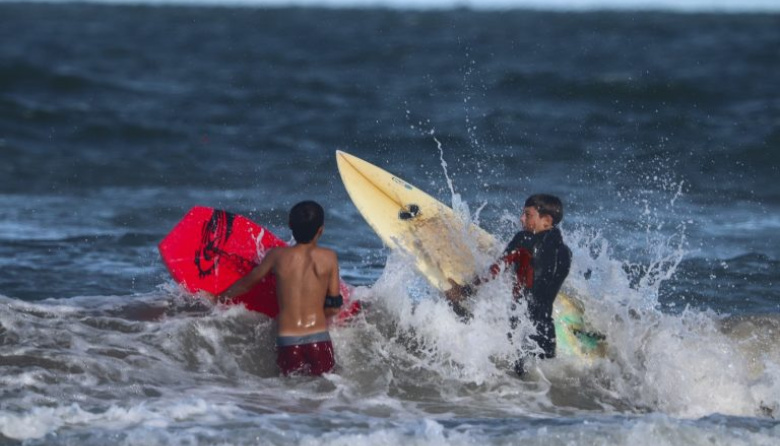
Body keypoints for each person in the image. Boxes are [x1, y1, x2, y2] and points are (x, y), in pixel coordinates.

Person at [445, 194, 572, 375]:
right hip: (546, 334)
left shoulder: (524, 240)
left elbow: (494, 272)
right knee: (538, 387)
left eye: (528, 215)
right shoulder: (566, 253)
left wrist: (465, 291)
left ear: (546, 220)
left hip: (520, 329)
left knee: (513, 381)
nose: (521, 219)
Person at [213, 200, 343, 376]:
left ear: (290, 225)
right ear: (321, 230)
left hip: (288, 341)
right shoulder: (329, 258)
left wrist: (218, 298)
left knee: (288, 394)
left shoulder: (276, 256)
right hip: (318, 338)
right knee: (326, 390)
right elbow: (334, 305)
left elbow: (246, 284)